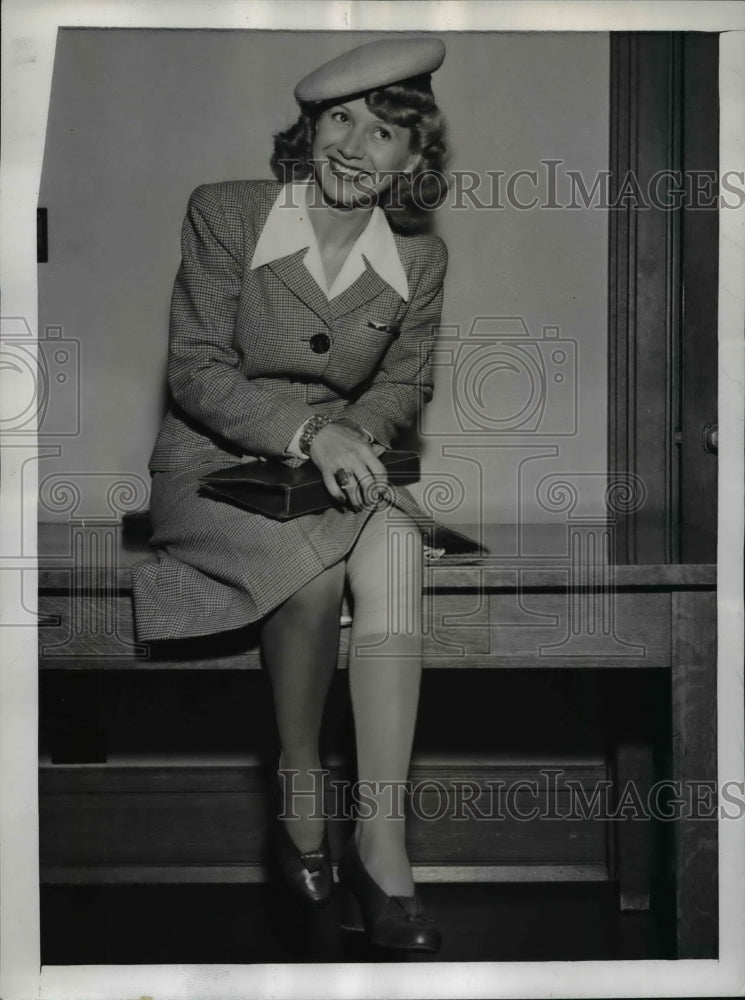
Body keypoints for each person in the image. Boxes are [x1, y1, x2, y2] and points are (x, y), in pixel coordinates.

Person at [131, 36, 451, 954]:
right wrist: (313, 432)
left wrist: (361, 435)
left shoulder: (419, 265)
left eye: (384, 131)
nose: (354, 145)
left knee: (392, 551)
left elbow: (403, 385)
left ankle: (381, 846)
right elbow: (194, 370)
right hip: (211, 469)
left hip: (338, 474)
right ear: (308, 130)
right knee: (308, 576)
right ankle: (301, 786)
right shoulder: (227, 214)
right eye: (337, 120)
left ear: (413, 158)